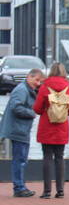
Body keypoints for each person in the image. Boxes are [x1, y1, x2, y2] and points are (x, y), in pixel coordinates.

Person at [33, 63, 69, 199]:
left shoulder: (45, 87)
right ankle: (60, 190)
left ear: (51, 72)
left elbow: (37, 109)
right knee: (59, 157)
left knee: (47, 157)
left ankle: (47, 191)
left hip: (47, 126)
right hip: (62, 127)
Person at [1, 69, 44, 197]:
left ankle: (19, 186)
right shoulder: (22, 90)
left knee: (20, 159)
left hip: (20, 129)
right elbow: (16, 107)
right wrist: (32, 113)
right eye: (37, 80)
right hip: (18, 129)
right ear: (29, 77)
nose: (38, 84)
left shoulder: (24, 89)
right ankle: (19, 187)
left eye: (40, 81)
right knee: (19, 159)